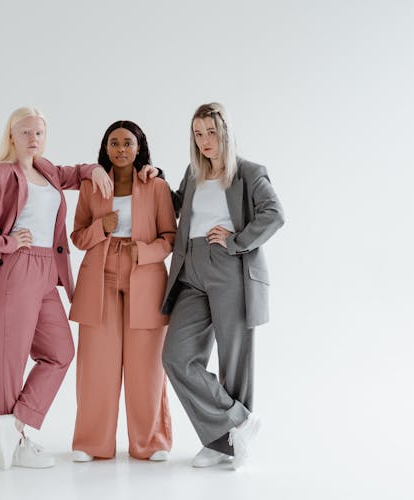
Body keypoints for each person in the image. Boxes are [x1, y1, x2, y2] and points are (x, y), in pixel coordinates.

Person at [0, 107, 114, 470]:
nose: (34, 140)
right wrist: (4, 242)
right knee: (10, 360)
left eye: (39, 133)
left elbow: (75, 174)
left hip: (48, 271)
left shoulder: (47, 171)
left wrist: (95, 169)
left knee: (60, 351)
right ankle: (15, 443)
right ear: (11, 136)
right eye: (26, 133)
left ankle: (16, 427)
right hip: (17, 267)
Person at [161, 102, 285, 470]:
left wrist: (236, 241)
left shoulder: (249, 173)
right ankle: (237, 423)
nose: (204, 141)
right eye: (198, 134)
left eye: (211, 132)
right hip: (190, 268)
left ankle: (226, 443)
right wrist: (153, 180)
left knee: (235, 358)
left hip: (229, 266)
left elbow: (274, 214)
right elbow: (177, 206)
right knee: (176, 357)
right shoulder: (193, 172)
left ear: (225, 132)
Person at [68, 121, 177, 462]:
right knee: (96, 365)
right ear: (106, 148)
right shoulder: (91, 186)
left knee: (146, 367)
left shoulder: (157, 186)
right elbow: (78, 237)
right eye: (113, 143)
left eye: (127, 143)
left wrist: (142, 252)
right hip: (100, 276)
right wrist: (103, 227)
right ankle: (91, 443)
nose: (120, 149)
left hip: (145, 275)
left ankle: (152, 442)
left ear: (139, 147)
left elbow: (170, 238)